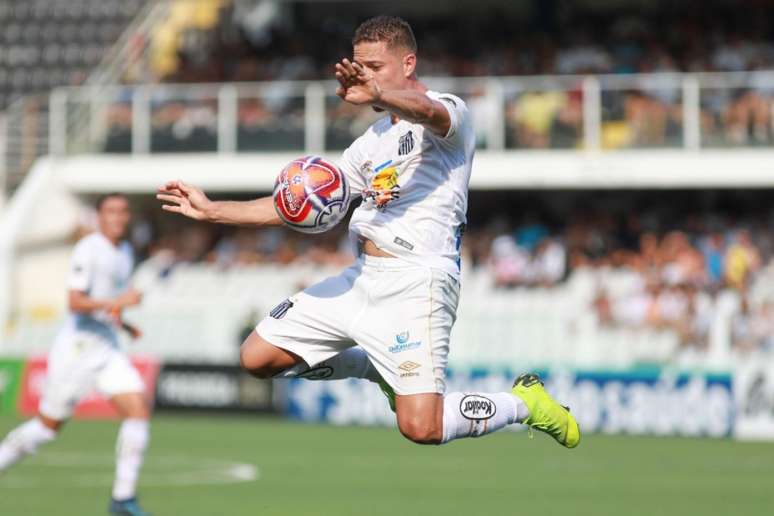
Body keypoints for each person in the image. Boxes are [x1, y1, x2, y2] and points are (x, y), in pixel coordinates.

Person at [157, 15, 580, 448]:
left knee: (422, 428)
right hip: (360, 279)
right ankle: (375, 365)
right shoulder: (371, 142)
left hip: (418, 284)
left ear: (409, 63)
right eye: (360, 67)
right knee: (257, 358)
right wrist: (213, 211)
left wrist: (380, 93)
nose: (365, 76)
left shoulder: (450, 112)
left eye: (376, 67)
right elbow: (300, 203)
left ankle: (525, 403)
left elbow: (430, 113)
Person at [0, 193, 152, 516]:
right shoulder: (89, 249)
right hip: (79, 348)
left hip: (107, 345)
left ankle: (122, 500)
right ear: (98, 217)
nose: (118, 217)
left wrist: (123, 323)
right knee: (47, 427)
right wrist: (118, 304)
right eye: (111, 211)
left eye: (123, 211)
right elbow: (75, 302)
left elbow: (107, 300)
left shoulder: (124, 251)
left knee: (137, 410)